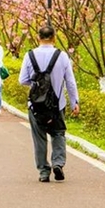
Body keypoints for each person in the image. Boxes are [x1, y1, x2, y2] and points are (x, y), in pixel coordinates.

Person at [18, 26, 79, 183]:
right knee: (58, 133)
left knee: (39, 138)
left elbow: (22, 80)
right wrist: (74, 102)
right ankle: (58, 163)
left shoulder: (29, 55)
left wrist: (37, 84)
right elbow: (70, 82)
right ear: (54, 38)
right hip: (57, 105)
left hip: (36, 106)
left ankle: (44, 172)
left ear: (39, 37)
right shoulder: (62, 56)